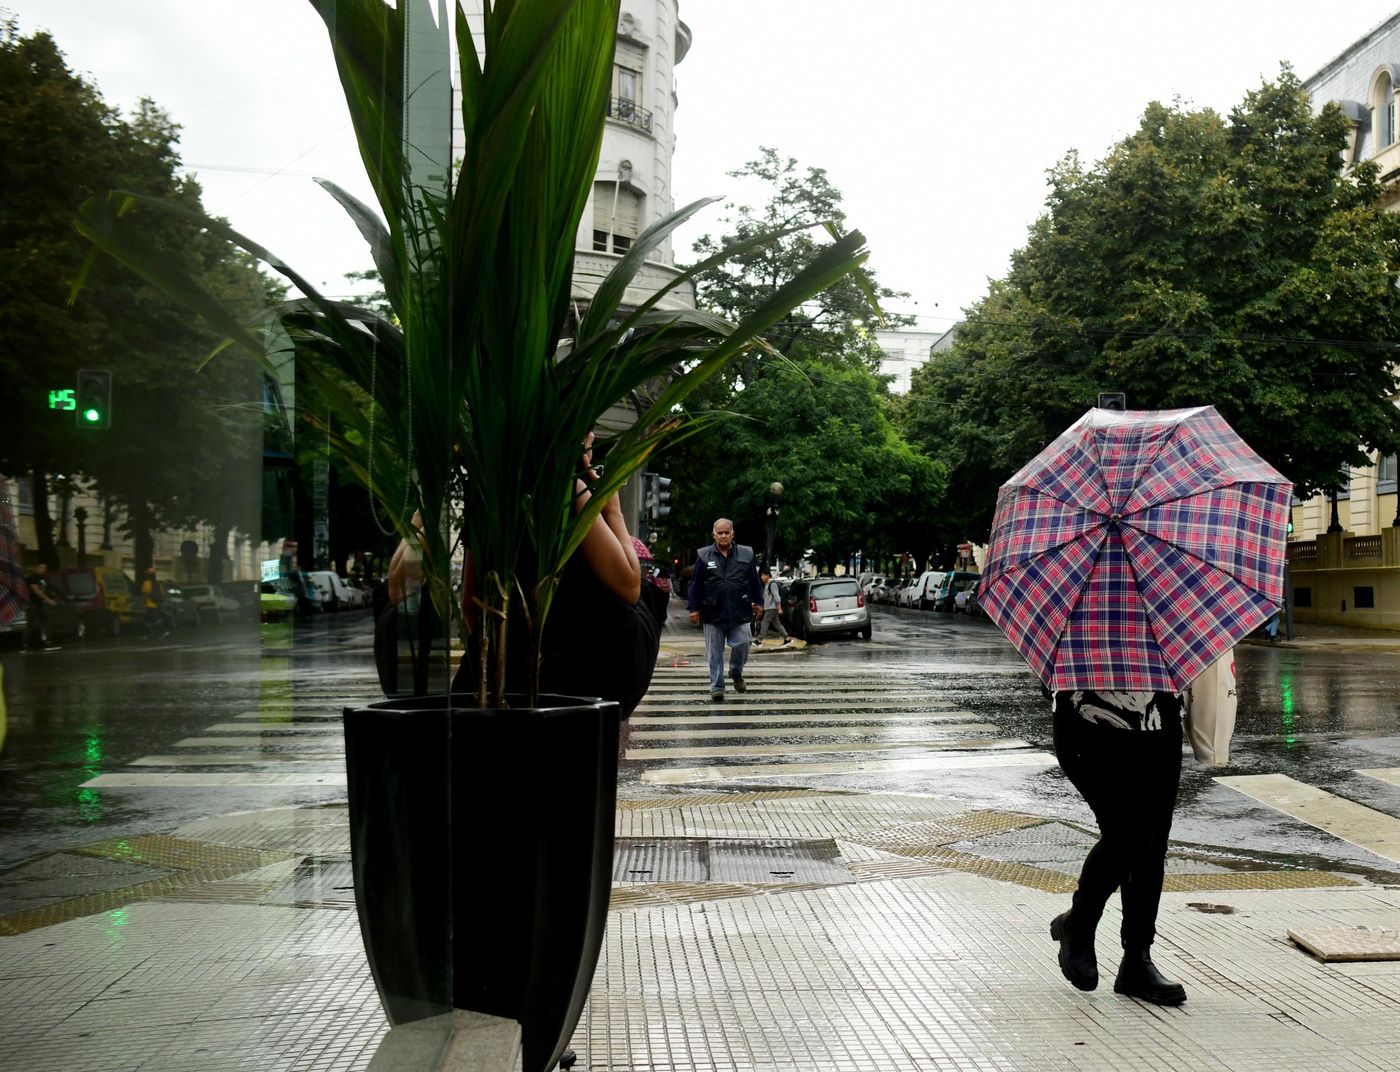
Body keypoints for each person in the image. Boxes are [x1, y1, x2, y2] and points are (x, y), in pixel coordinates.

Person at [448, 430, 660, 718]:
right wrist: (612, 509)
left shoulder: (487, 493)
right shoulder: (567, 492)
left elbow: (470, 608)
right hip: (568, 687)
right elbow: (629, 584)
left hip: (500, 684)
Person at [1048, 688, 1188, 1006]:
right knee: (1130, 833)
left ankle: (1137, 960)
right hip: (1089, 723)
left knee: (1152, 842)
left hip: (1159, 722)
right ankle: (1079, 923)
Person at [686, 518, 763, 702]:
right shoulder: (704, 556)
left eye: (726, 532)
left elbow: (754, 581)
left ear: (732, 534)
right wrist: (693, 608)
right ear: (714, 534)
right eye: (719, 532)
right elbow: (695, 584)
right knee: (714, 652)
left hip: (740, 610)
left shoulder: (746, 554)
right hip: (713, 612)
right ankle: (717, 686)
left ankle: (736, 671)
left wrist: (759, 602)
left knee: (744, 642)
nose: (723, 535)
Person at [23, 563, 59, 651]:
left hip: (41, 604)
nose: (43, 569)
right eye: (41, 567)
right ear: (36, 568)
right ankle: (25, 643)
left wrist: (52, 597)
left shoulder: (43, 579)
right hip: (33, 604)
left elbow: (47, 589)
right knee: (30, 624)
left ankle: (48, 642)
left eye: (44, 568)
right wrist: (48, 600)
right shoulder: (32, 578)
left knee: (48, 621)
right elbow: (36, 591)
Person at [754, 568, 791, 647]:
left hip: (771, 608)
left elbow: (777, 597)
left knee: (765, 623)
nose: (761, 577)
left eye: (762, 576)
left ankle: (759, 640)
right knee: (777, 624)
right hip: (769, 607)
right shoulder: (767, 584)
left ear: (767, 575)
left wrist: (779, 608)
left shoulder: (772, 584)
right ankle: (787, 638)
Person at [140, 566, 168, 639]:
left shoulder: (146, 583)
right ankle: (148, 635)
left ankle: (163, 631)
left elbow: (145, 594)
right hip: (156, 604)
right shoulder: (158, 584)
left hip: (149, 605)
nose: (145, 575)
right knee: (148, 620)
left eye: (147, 574)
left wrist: (144, 604)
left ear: (149, 575)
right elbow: (162, 594)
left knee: (151, 620)